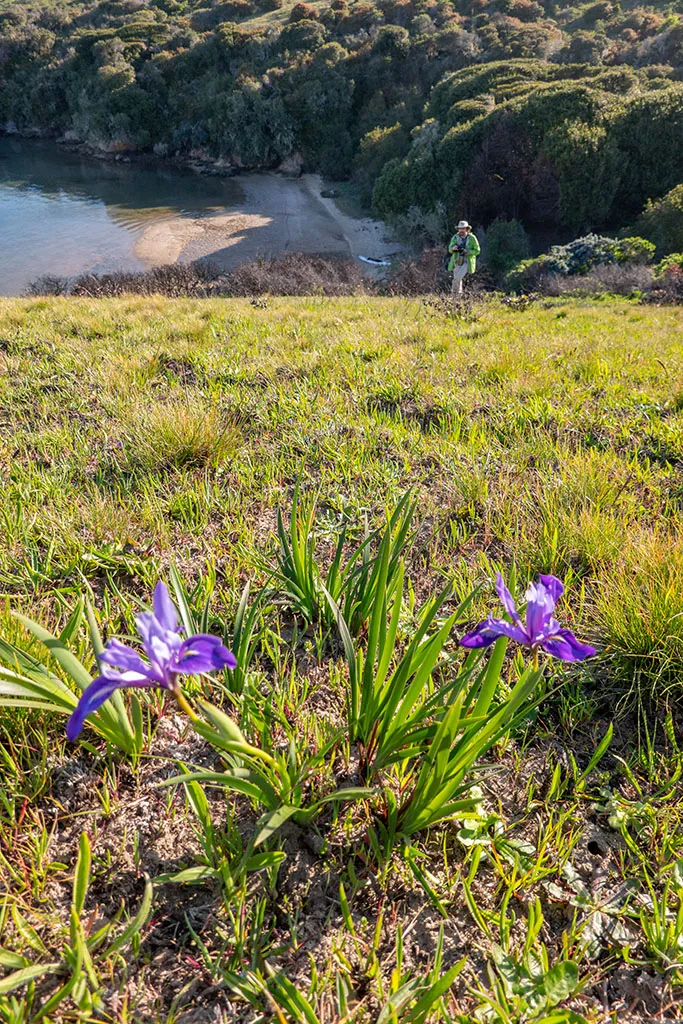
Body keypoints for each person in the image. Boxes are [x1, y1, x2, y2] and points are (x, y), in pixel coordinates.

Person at [448, 220, 480, 297]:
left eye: (463, 228)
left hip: (467, 261)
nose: (461, 230)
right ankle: (456, 298)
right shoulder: (455, 237)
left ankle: (453, 296)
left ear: (467, 229)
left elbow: (477, 250)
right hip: (457, 261)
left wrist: (468, 251)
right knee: (457, 280)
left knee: (457, 279)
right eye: (460, 228)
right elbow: (449, 249)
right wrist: (453, 248)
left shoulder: (472, 238)